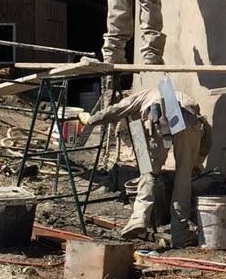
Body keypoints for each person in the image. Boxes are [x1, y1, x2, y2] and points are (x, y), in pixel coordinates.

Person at [80, 86, 212, 246]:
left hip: (161, 118)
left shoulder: (139, 97)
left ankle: (139, 219)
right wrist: (197, 163)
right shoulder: (170, 94)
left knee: (148, 172)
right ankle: (180, 233)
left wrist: (91, 119)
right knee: (183, 178)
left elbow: (115, 110)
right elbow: (206, 138)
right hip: (186, 118)